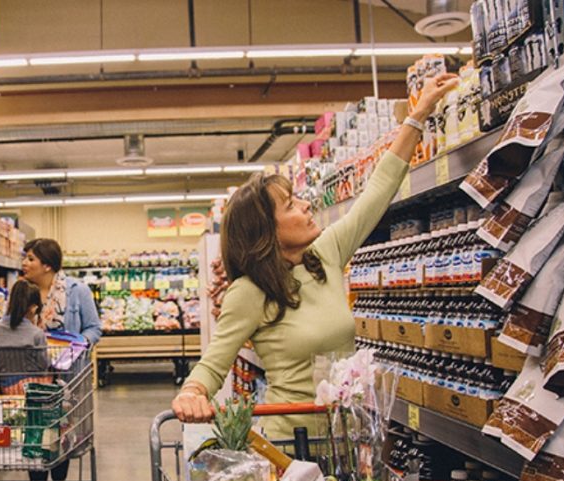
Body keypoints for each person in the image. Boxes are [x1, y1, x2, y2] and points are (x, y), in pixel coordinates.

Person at [171, 73, 460, 439]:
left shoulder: (324, 255)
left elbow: (377, 193)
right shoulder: (249, 292)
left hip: (349, 440)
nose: (307, 206)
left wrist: (417, 116)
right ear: (267, 232)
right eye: (291, 205)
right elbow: (213, 365)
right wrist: (191, 393)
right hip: (291, 447)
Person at [21, 238, 102, 481]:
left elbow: (94, 328)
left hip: (67, 379)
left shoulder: (77, 292)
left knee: (61, 439)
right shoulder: (23, 291)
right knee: (34, 441)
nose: (24, 263)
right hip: (31, 379)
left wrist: (78, 343)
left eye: (30, 258)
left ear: (47, 264)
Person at [0, 280, 48, 395]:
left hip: (0, 391)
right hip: (30, 394)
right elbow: (43, 367)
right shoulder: (37, 334)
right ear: (34, 308)